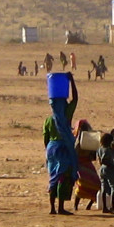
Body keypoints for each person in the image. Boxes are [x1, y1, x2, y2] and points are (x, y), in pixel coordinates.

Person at [43, 73, 78, 215]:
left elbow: (45, 138)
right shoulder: (66, 114)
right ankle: (61, 208)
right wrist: (72, 81)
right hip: (63, 147)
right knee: (63, 176)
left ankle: (52, 208)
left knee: (53, 176)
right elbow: (75, 99)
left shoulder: (49, 119)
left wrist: (48, 150)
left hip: (51, 148)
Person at [72, 119, 100, 211]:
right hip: (80, 164)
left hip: (86, 163)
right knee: (82, 185)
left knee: (96, 184)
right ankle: (76, 206)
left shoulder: (89, 139)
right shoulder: (75, 139)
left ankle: (89, 205)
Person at [97, 132, 114, 214]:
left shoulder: (99, 149)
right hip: (109, 169)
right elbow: (104, 160)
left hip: (102, 169)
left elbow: (100, 160)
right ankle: (112, 207)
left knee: (104, 188)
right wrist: (113, 166)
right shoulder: (107, 150)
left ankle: (105, 207)